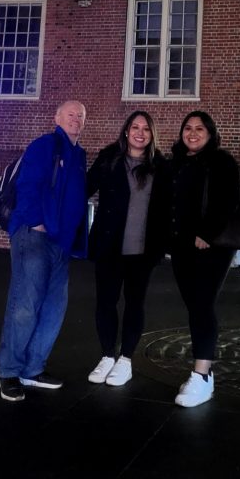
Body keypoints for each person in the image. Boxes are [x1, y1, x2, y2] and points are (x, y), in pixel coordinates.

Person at [0, 100, 88, 402]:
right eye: (70, 114)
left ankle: (33, 369)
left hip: (60, 243)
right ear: (57, 118)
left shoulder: (78, 155)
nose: (76, 119)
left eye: (80, 116)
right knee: (25, 304)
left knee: (53, 308)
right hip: (33, 236)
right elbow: (28, 185)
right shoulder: (45, 144)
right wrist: (36, 221)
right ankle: (9, 371)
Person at [162, 111, 240, 408]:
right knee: (193, 304)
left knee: (202, 304)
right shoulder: (177, 163)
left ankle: (202, 374)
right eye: (187, 128)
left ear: (210, 133)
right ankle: (204, 371)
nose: (192, 133)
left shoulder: (221, 161)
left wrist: (206, 233)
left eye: (199, 128)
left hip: (211, 245)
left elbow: (228, 200)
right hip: (182, 245)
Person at [86, 111, 165, 387]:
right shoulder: (110, 157)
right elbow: (84, 187)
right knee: (105, 303)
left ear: (152, 134)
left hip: (142, 251)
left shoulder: (160, 166)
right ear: (126, 130)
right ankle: (107, 355)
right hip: (109, 247)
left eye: (146, 128)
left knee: (134, 304)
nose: (140, 132)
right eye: (135, 127)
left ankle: (126, 360)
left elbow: (169, 207)